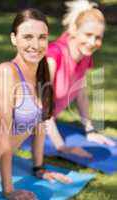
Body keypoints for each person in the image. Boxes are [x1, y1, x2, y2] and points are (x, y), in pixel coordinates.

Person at [0, 8, 72, 200]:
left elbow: (39, 127)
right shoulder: (7, 72)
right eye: (28, 37)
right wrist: (8, 191)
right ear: (14, 39)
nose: (35, 44)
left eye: (42, 37)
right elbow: (3, 137)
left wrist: (39, 168)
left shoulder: (42, 75)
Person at [46, 0, 116, 158]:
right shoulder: (53, 56)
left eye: (98, 37)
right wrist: (61, 146)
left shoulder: (85, 56)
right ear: (74, 30)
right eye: (88, 35)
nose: (92, 42)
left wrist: (90, 130)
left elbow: (81, 94)